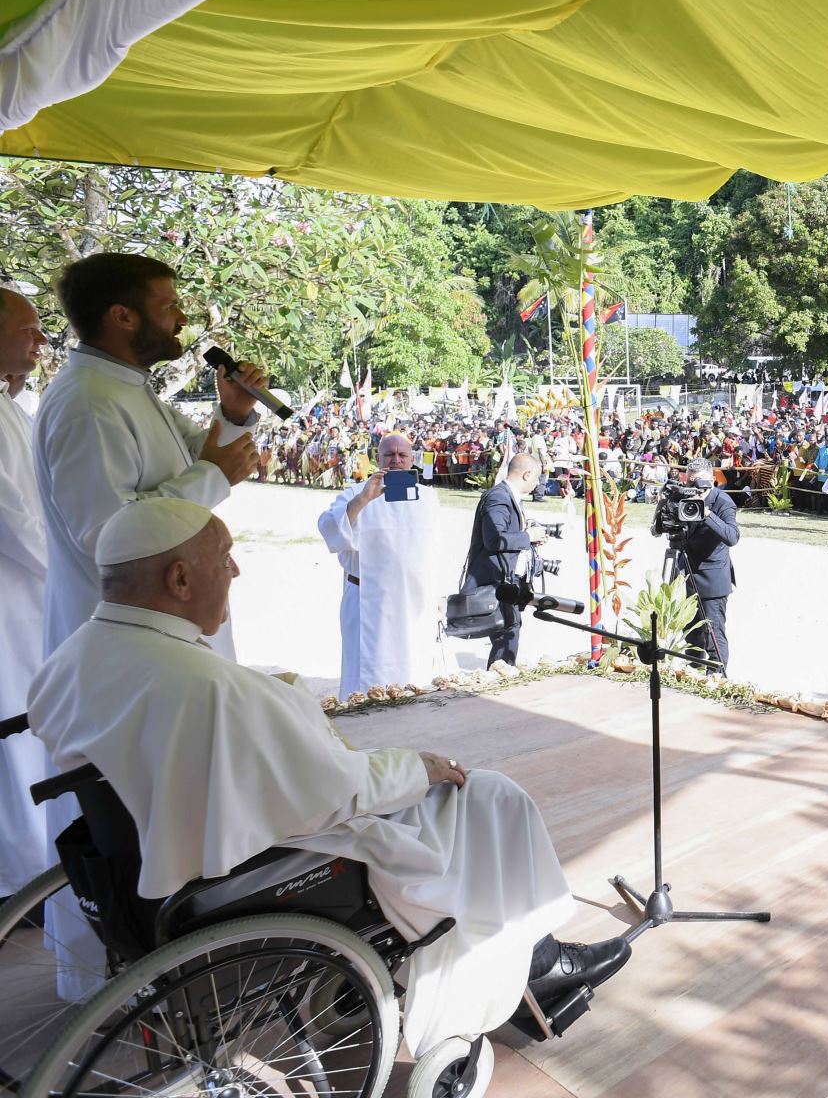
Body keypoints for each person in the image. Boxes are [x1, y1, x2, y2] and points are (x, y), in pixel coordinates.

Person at [27, 497, 629, 1057]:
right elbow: (332, 793)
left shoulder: (71, 659)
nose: (235, 571)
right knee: (493, 796)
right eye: (223, 556)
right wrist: (420, 768)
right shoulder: (212, 689)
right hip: (259, 866)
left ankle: (532, 962)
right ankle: (537, 968)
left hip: (133, 866)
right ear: (179, 580)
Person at [33, 252, 264, 655]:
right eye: (170, 306)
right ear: (123, 316)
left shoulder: (124, 387)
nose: (182, 319)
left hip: (160, 632)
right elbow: (104, 529)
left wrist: (233, 411)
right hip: (127, 645)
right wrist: (212, 476)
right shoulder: (89, 402)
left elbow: (201, 452)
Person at [318, 433, 444, 699]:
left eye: (402, 455)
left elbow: (433, 550)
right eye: (389, 455)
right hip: (369, 603)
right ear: (378, 458)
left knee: (414, 673)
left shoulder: (428, 498)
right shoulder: (355, 493)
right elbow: (329, 528)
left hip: (413, 604)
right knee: (368, 680)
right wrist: (363, 500)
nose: (396, 461)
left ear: (412, 460)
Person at [0, 286, 51, 897]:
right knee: (17, 727)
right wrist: (76, 574)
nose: (40, 340)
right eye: (27, 329)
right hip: (13, 597)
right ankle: (26, 878)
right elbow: (15, 519)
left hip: (26, 594)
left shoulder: (10, 404)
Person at [466, 453, 546, 666]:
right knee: (507, 629)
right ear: (527, 474)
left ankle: (501, 672)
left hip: (505, 577)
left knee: (509, 628)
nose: (538, 483)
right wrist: (529, 536)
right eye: (536, 477)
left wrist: (527, 538)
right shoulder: (499, 497)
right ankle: (500, 675)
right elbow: (495, 539)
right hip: (495, 578)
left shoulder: (508, 496)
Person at [666, 458, 738, 672]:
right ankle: (693, 672)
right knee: (692, 632)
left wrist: (707, 514)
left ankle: (717, 676)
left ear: (712, 481)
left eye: (699, 483)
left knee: (713, 632)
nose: (695, 488)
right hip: (686, 573)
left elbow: (732, 537)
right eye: (690, 483)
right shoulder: (684, 497)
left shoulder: (723, 502)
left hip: (712, 578)